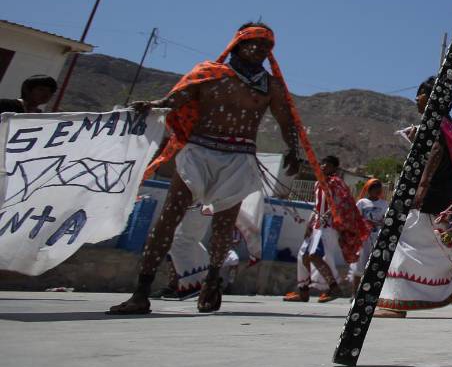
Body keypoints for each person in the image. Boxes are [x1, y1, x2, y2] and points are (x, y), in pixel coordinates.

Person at [108, 22, 319, 315]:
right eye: (253, 42)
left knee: (223, 226)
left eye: (266, 45)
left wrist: (293, 153)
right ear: (237, 44)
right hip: (199, 151)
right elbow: (173, 101)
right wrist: (153, 106)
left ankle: (212, 281)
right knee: (169, 217)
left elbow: (286, 121)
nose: (258, 48)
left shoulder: (270, 86)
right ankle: (141, 292)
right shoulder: (209, 73)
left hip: (239, 157)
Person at [375, 77, 452, 318]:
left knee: (404, 244)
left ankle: (398, 304)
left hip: (431, 197)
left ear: (431, 96)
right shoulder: (447, 124)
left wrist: (421, 188)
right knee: (447, 248)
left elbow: (436, 151)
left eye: (420, 93)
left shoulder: (435, 123)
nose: (416, 99)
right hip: (444, 196)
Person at [284, 156, 366, 303]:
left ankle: (334, 286)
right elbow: (316, 207)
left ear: (334, 168)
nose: (322, 166)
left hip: (329, 226)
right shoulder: (318, 184)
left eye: (326, 165)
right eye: (322, 164)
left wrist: (327, 215)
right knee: (302, 255)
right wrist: (309, 225)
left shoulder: (336, 183)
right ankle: (303, 291)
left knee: (315, 255)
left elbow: (342, 201)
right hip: (316, 225)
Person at [350, 178, 388, 294]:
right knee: (360, 266)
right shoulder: (362, 203)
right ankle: (355, 293)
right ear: (369, 190)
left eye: (379, 189)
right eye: (374, 189)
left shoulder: (384, 204)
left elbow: (386, 221)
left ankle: (372, 292)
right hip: (363, 238)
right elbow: (355, 218)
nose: (377, 191)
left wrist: (378, 223)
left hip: (378, 238)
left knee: (375, 265)